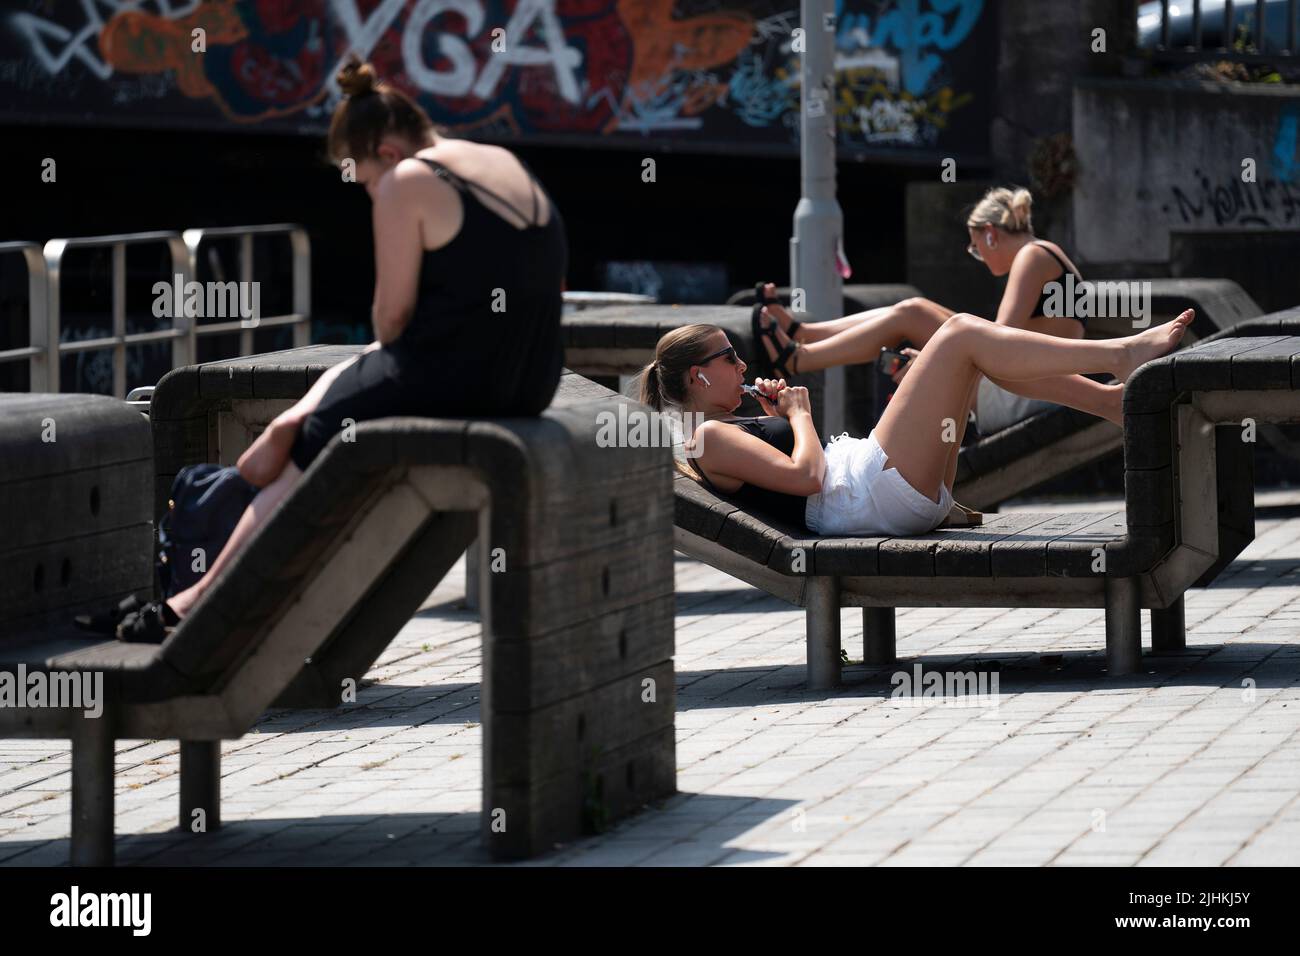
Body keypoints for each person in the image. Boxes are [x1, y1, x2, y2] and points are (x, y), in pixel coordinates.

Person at [115, 57, 568, 641]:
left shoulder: (408, 179)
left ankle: (194, 603)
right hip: (533, 378)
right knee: (347, 386)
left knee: (309, 452)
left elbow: (392, 318)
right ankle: (297, 419)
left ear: (383, 151)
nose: (370, 195)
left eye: (364, 182)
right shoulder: (499, 160)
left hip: (459, 376)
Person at [643, 308, 1194, 538]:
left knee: (970, 351)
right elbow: (808, 479)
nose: (742, 365)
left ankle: (1108, 396)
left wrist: (778, 419)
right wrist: (799, 414)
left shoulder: (722, 431)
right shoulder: (709, 438)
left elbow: (792, 474)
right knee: (956, 333)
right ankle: (1117, 357)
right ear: (698, 376)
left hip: (880, 491)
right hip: (865, 495)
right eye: (728, 358)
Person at [753, 186, 1119, 432]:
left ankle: (800, 357)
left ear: (991, 233)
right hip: (1026, 387)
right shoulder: (1047, 254)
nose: (978, 256)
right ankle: (804, 338)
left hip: (1019, 394)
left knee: (913, 312)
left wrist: (936, 356)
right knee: (913, 310)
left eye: (977, 247)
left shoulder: (1033, 255)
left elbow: (999, 341)